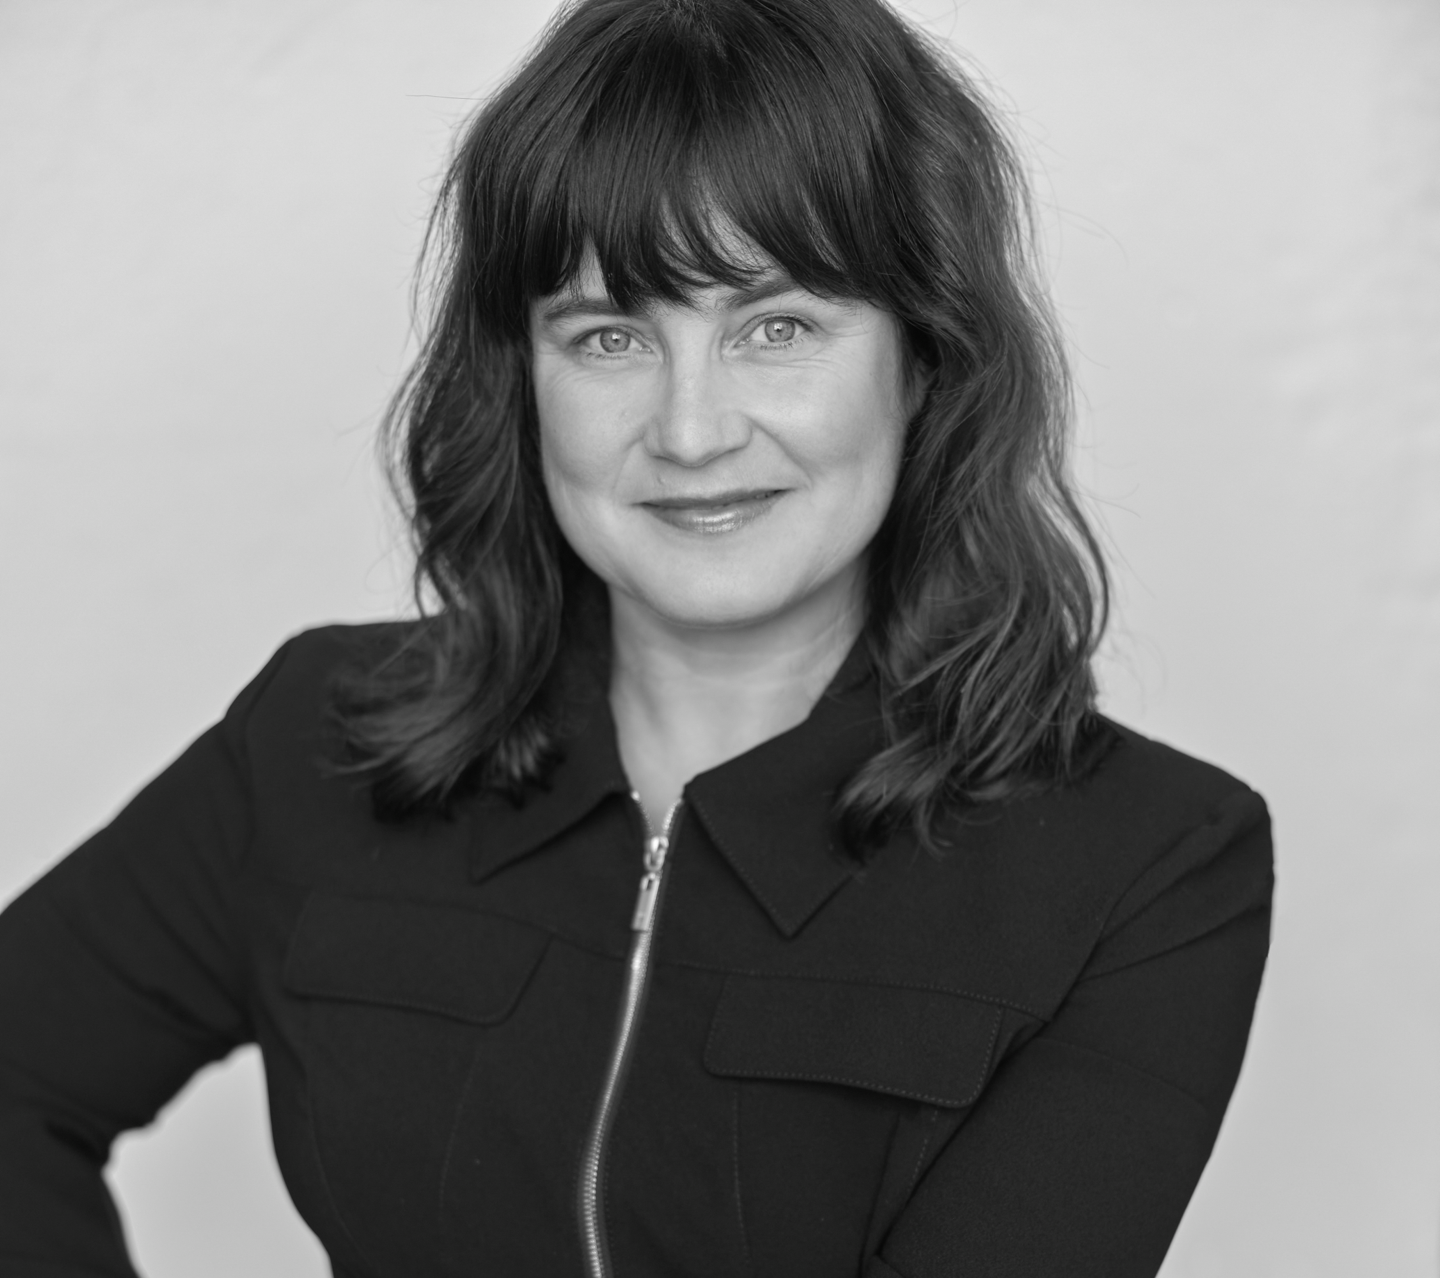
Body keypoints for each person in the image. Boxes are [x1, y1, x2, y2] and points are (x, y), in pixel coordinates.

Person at [0, 0, 1273, 1274]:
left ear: (927, 360)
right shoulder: (316, 739)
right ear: (522, 374)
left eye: (777, 327)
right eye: (608, 336)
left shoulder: (1149, 866)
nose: (690, 431)